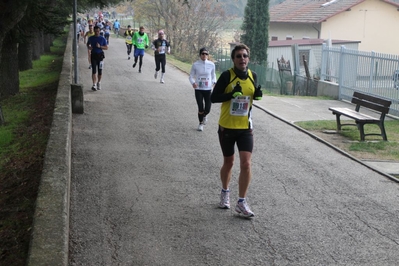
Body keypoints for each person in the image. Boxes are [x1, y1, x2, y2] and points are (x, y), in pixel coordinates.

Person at [210, 44, 263, 218]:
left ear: (248, 59)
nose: (242, 59)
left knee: (246, 163)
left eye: (245, 56)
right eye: (239, 56)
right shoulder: (227, 76)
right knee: (229, 162)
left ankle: (241, 202)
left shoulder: (252, 75)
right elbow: (213, 97)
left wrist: (258, 95)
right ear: (233, 59)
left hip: (245, 127)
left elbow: (253, 96)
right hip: (227, 126)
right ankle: (225, 192)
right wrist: (230, 95)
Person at [188, 47, 216, 131]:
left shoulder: (211, 64)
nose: (204, 55)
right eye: (203, 54)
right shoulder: (195, 64)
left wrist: (214, 82)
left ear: (208, 55)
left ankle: (205, 115)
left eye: (206, 54)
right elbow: (191, 76)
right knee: (200, 107)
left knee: (208, 108)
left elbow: (213, 75)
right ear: (200, 55)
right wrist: (193, 83)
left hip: (208, 89)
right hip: (199, 89)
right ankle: (200, 124)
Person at [86, 25, 108, 91]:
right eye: (95, 31)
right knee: (94, 71)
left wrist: (100, 46)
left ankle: (99, 82)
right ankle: (94, 84)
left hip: (100, 56)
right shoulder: (91, 38)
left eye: (98, 31)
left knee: (100, 71)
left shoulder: (102, 38)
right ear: (94, 31)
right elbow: (88, 44)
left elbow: (106, 47)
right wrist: (89, 47)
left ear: (99, 31)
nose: (97, 32)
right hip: (93, 56)